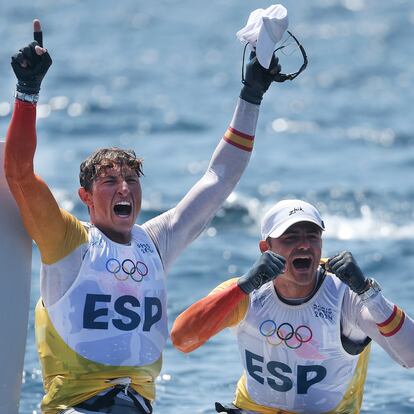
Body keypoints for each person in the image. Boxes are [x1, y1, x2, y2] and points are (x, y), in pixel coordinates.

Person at [4, 19, 285, 414]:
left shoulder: (155, 241)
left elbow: (220, 178)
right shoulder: (67, 241)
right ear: (85, 196)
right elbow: (17, 173)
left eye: (132, 180)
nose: (124, 189)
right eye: (110, 181)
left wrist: (252, 93)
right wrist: (27, 92)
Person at [171, 199, 414, 414]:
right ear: (266, 249)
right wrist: (242, 287)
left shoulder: (347, 295)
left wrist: (368, 292)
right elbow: (182, 339)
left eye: (312, 235)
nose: (304, 245)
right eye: (291, 237)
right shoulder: (245, 292)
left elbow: (410, 356)